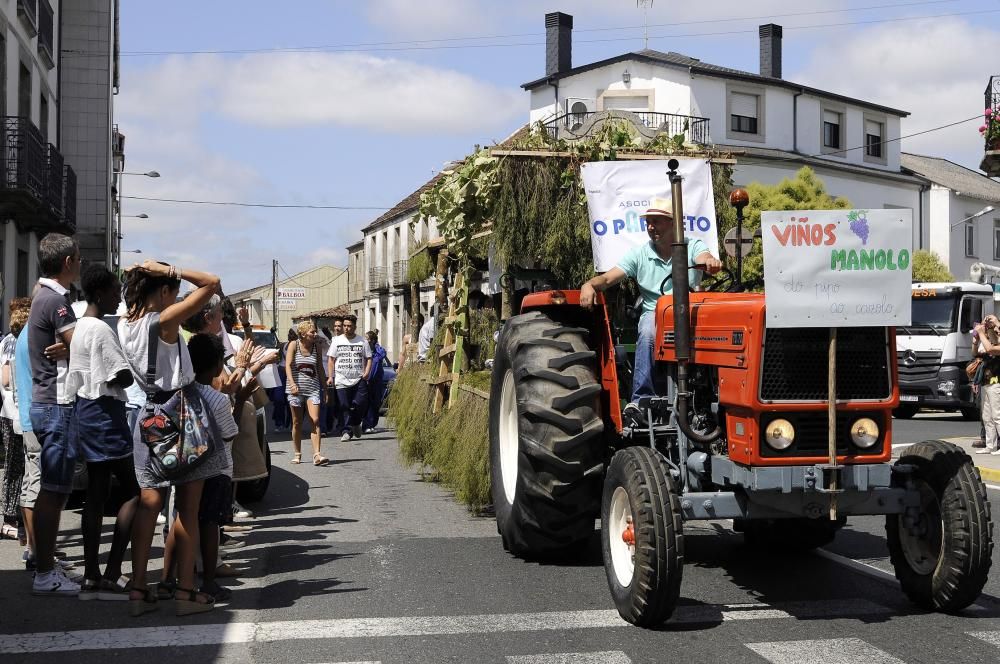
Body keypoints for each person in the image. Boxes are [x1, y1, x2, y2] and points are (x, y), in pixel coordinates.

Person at [118, 259, 221, 616]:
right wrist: (172, 269)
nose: (176, 300)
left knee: (150, 504)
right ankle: (186, 593)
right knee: (188, 508)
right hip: (181, 413)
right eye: (174, 294)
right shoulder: (162, 322)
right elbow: (212, 282)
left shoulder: (124, 325)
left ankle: (138, 589)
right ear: (163, 291)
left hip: (149, 416)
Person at [579, 198, 722, 423]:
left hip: (690, 313)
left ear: (673, 224)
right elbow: (608, 277)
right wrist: (590, 285)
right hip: (655, 314)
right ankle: (641, 400)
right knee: (647, 332)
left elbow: (703, 258)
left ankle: (715, 395)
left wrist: (711, 262)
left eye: (657, 221)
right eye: (648, 222)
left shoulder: (692, 246)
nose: (651, 227)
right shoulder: (639, 255)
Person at [67, 265, 142, 601]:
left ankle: (90, 574)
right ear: (99, 294)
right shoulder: (100, 329)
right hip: (106, 413)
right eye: (114, 292)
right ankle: (112, 571)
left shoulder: (80, 325)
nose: (118, 298)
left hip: (85, 411)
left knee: (96, 494)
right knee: (132, 492)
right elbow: (122, 376)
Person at [26, 233, 83, 596]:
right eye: (78, 258)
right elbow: (85, 344)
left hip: (48, 403)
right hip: (56, 404)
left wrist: (69, 348)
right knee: (54, 491)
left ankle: (46, 564)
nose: (81, 263)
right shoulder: (56, 300)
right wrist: (73, 347)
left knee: (55, 490)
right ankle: (45, 573)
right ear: (67, 263)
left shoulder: (41, 296)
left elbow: (73, 345)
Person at [1, 298, 30, 542]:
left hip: (11, 412)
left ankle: (15, 518)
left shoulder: (8, 341)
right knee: (15, 468)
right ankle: (10, 518)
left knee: (18, 468)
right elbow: (6, 379)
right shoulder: (15, 342)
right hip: (13, 413)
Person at [285, 320, 328, 465]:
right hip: (296, 390)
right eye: (312, 332)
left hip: (313, 388)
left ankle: (317, 455)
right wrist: (292, 384)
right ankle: (297, 453)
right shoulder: (293, 345)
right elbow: (288, 366)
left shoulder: (317, 347)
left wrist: (325, 389)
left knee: (315, 420)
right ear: (302, 334)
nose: (315, 334)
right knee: (297, 422)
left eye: (315, 331)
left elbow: (320, 369)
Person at [327, 315, 372, 443]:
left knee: (360, 403)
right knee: (344, 405)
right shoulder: (337, 341)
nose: (346, 328)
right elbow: (331, 359)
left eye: (349, 326)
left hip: (358, 378)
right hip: (341, 378)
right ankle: (346, 431)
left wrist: (367, 372)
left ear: (354, 327)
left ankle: (357, 422)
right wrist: (331, 376)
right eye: (345, 326)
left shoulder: (362, 341)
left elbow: (369, 358)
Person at [974, 314, 1000, 455]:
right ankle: (991, 445)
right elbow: (978, 352)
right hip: (986, 383)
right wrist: (985, 330)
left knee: (997, 416)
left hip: (997, 383)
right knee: (987, 416)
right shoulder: (993, 341)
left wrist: (981, 332)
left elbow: (990, 348)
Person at [363, 330, 387, 434]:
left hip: (377, 381)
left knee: (376, 403)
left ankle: (372, 424)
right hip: (367, 380)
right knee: (367, 403)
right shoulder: (364, 351)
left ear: (372, 340)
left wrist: (375, 345)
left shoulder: (378, 351)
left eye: (367, 339)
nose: (366, 341)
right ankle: (366, 425)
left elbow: (382, 354)